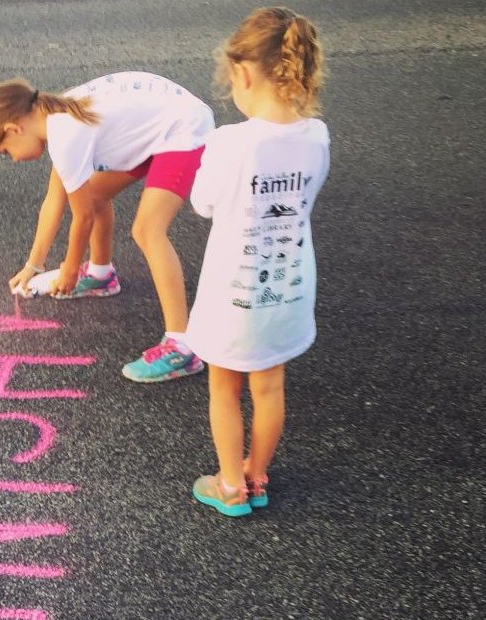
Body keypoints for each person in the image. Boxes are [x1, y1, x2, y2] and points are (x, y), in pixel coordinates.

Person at [0, 71, 215, 383]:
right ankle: (101, 275)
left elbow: (83, 216)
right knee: (97, 192)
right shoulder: (54, 115)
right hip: (155, 128)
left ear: (13, 128)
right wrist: (33, 264)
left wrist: (70, 269)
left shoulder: (65, 134)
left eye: (6, 152)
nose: (13, 159)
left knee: (147, 230)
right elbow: (54, 200)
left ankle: (181, 346)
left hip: (183, 130)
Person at [187, 7, 328, 516]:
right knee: (269, 386)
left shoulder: (231, 142)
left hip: (235, 291)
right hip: (288, 285)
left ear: (243, 73)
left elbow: (203, 203)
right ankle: (257, 475)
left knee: (224, 386)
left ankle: (228, 486)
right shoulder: (317, 135)